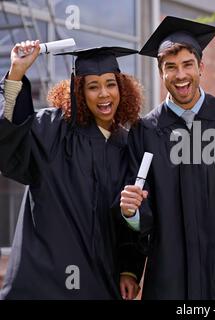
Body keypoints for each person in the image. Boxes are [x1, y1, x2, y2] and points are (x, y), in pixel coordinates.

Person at [119, 16, 215, 299]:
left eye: (187, 65)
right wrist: (131, 212)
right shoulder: (145, 131)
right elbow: (139, 208)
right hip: (172, 274)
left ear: (201, 67)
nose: (180, 75)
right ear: (161, 73)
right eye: (170, 67)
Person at [0, 41, 145, 299]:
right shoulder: (52, 130)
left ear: (122, 89)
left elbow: (130, 220)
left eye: (110, 84)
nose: (103, 94)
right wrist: (17, 73)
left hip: (100, 281)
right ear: (79, 91)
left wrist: (129, 270)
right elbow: (11, 147)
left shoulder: (128, 145)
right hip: (44, 282)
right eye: (92, 86)